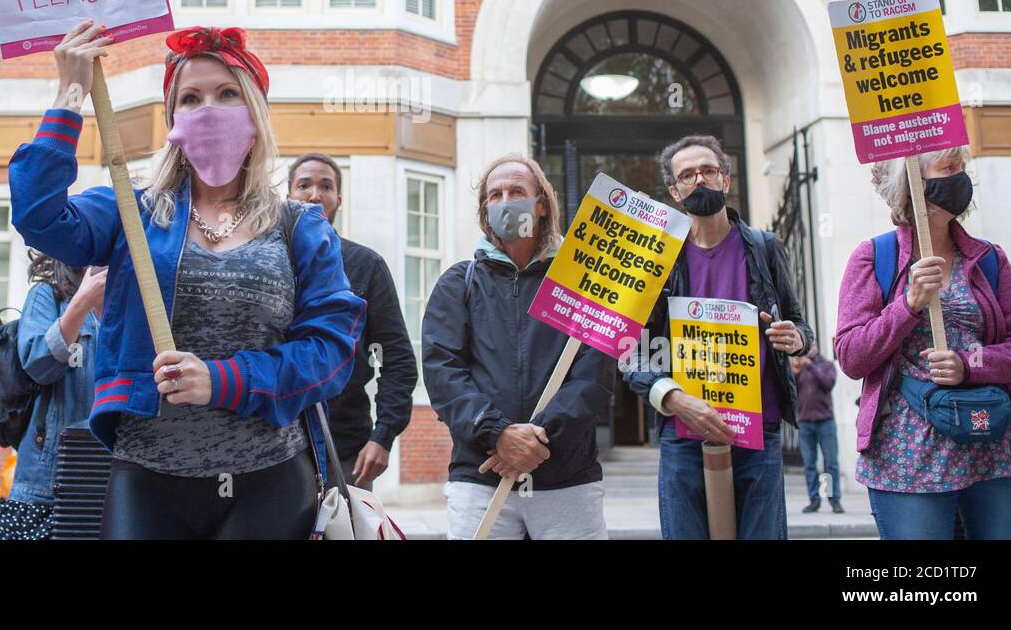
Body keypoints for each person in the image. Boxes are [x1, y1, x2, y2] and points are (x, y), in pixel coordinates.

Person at [9, 22, 365, 540]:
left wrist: (224, 380)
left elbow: (331, 351)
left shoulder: (300, 226)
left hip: (269, 479)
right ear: (172, 117)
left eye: (227, 94)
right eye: (191, 97)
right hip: (147, 476)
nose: (209, 110)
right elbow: (39, 215)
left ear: (255, 113)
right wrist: (69, 97)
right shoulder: (132, 210)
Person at [623, 134, 814, 540]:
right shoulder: (657, 260)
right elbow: (629, 349)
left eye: (709, 170)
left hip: (757, 427)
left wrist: (794, 338)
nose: (700, 180)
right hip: (683, 429)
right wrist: (671, 398)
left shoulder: (765, 247)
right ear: (675, 191)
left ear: (726, 180)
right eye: (687, 175)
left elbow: (800, 324)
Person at [835, 146, 1011, 539]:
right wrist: (907, 305)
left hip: (994, 447)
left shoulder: (990, 258)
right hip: (908, 457)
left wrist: (969, 363)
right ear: (915, 184)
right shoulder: (874, 258)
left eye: (962, 168)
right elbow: (852, 356)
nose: (961, 177)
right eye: (950, 168)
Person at [423, 154, 609, 540]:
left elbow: (594, 374)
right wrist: (498, 435)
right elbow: (443, 372)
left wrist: (536, 441)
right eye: (495, 195)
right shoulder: (459, 283)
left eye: (517, 192)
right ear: (485, 210)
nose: (506, 201)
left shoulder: (582, 283)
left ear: (541, 205)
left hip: (567, 480)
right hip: (481, 475)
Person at [287, 152, 417, 490]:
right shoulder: (265, 263)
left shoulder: (366, 265)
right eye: (304, 185)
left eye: (325, 186)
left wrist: (384, 435)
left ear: (338, 200)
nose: (315, 195)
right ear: (288, 195)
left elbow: (397, 357)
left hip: (345, 448)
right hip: (273, 448)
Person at [0, 253, 106, 540]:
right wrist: (81, 302)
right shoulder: (48, 294)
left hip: (114, 477)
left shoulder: (133, 298)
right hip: (47, 481)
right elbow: (39, 364)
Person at [791, 346, 842, 513]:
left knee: (830, 463)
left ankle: (833, 499)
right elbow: (791, 392)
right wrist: (796, 373)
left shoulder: (826, 365)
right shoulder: (800, 367)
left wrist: (811, 366)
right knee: (809, 464)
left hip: (825, 422)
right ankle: (814, 500)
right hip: (805, 423)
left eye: (810, 346)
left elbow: (828, 383)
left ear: (817, 347)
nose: (807, 349)